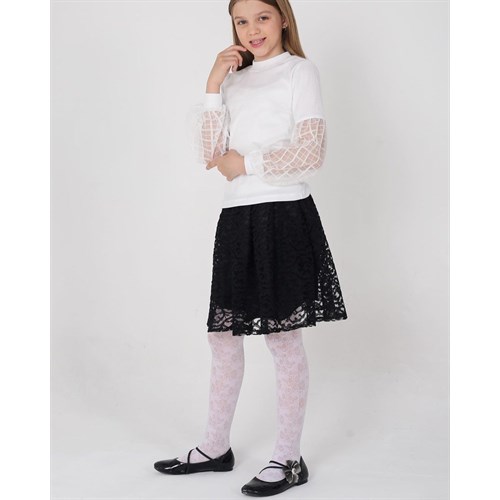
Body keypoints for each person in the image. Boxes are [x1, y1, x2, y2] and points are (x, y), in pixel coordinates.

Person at [154, 0, 348, 496]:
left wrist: (248, 163)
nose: (252, 29)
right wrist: (213, 84)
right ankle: (215, 448)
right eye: (241, 21)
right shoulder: (234, 81)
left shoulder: (299, 72)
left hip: (283, 213)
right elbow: (210, 154)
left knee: (282, 338)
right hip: (237, 217)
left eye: (262, 17)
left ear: (282, 18)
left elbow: (311, 151)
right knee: (223, 336)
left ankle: (289, 458)